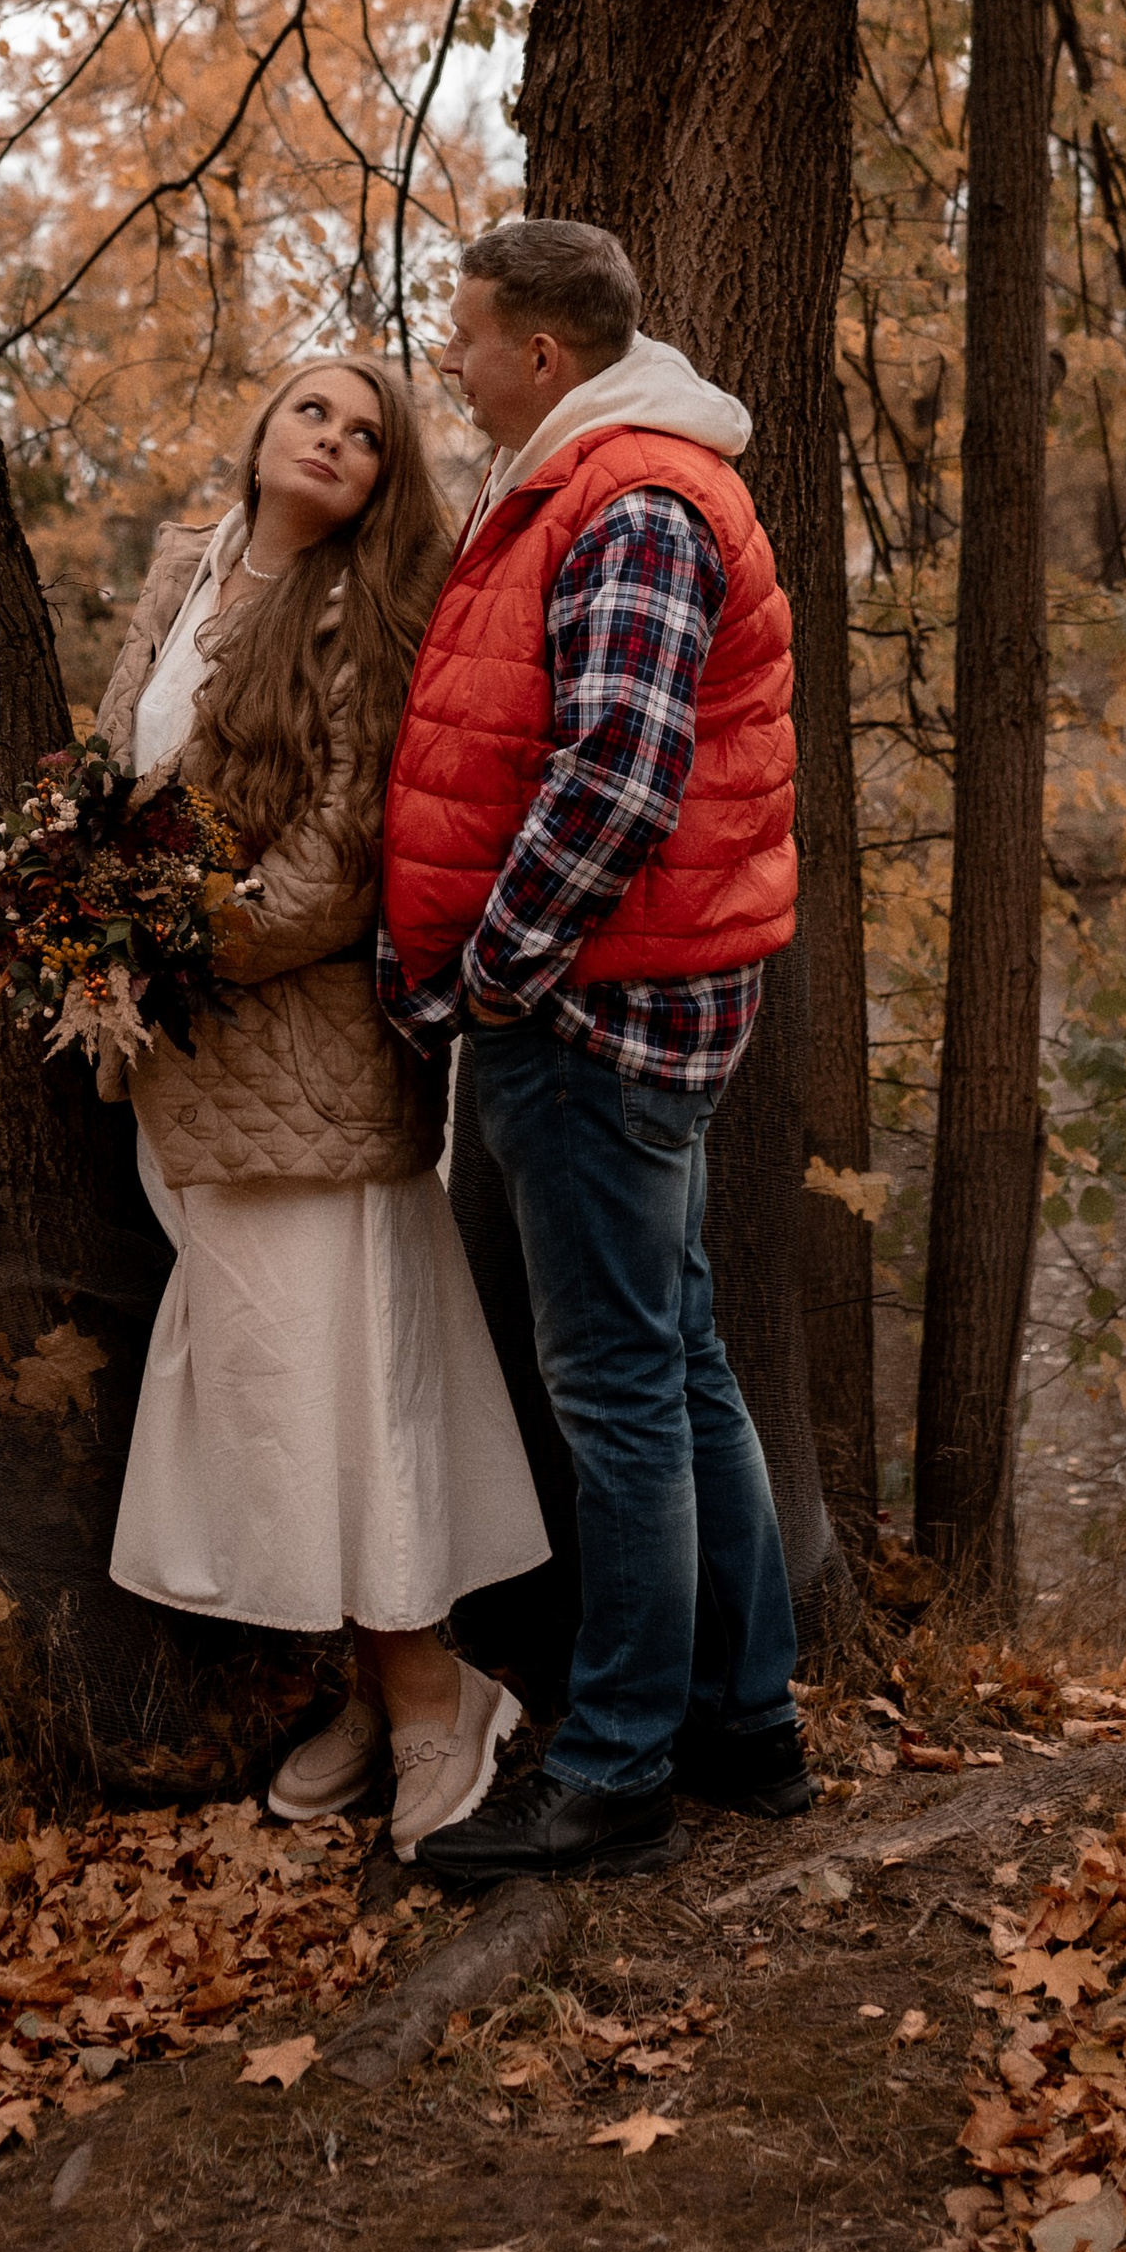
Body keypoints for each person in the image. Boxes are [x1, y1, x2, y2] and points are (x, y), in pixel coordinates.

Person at [376, 219, 809, 1880]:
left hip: (590, 1009)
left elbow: (618, 779)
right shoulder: (601, 478)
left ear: (540, 356)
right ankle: (745, 1726)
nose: (455, 363)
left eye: (468, 337)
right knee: (678, 1355)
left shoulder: (627, 497)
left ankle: (620, 1769)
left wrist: (491, 976)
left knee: (619, 1387)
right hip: (619, 997)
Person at [97, 351, 549, 1857]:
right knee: (273, 1387)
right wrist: (93, 921)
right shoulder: (187, 566)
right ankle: (375, 1687)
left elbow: (338, 858)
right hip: (181, 1061)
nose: (337, 439)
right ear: (263, 424)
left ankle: (440, 1700)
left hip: (305, 1048)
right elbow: (116, 772)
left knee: (342, 1381)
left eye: (369, 433)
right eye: (315, 410)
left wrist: (166, 942)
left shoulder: (366, 617)